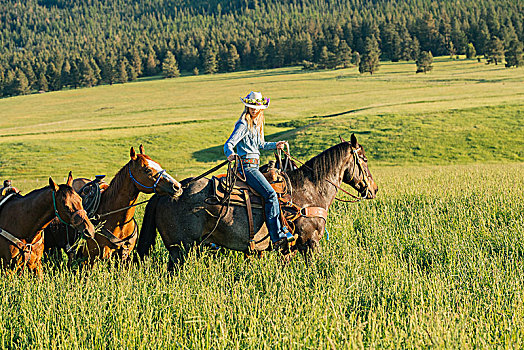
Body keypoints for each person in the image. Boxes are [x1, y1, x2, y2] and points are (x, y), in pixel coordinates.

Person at [224, 91, 295, 251]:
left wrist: (276, 144)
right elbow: (229, 143)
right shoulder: (243, 124)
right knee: (270, 194)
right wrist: (231, 154)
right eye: (251, 106)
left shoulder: (258, 124)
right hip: (247, 166)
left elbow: (261, 145)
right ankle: (276, 236)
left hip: (255, 165)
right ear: (247, 107)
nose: (253, 110)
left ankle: (279, 229)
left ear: (260, 108)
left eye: (256, 107)